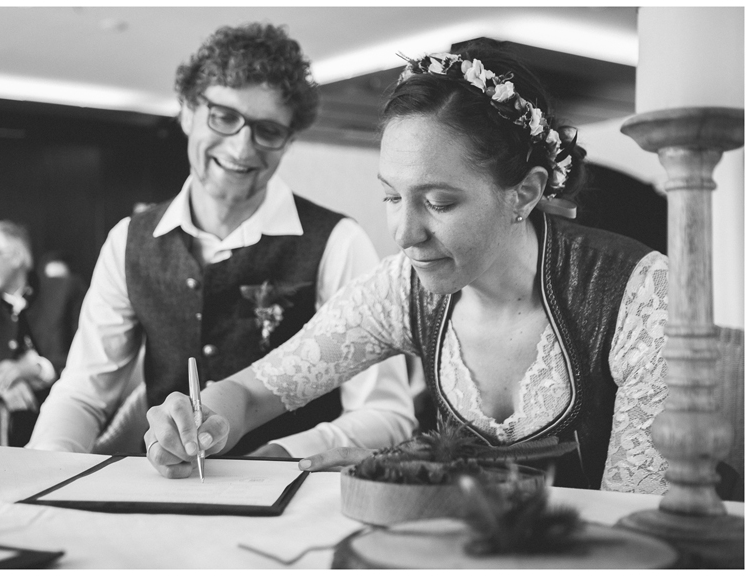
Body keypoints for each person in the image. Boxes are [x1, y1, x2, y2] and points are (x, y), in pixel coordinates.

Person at [144, 39, 670, 495]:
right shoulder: (401, 288)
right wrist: (200, 420)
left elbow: (640, 522)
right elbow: (255, 393)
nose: (403, 234)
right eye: (391, 198)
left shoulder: (640, 294)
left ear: (526, 192)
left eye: (438, 203)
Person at [27, 23, 416, 457]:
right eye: (224, 117)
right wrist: (49, 470)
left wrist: (282, 455)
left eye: (267, 129)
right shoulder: (128, 241)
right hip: (165, 490)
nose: (241, 147)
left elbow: (387, 415)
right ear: (187, 112)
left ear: (287, 142)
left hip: (294, 497)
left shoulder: (337, 241)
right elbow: (83, 393)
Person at [0, 220, 84, 446]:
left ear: (15, 256)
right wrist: (3, 384)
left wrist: (32, 369)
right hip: (14, 428)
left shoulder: (66, 290)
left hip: (72, 416)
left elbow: (88, 355)